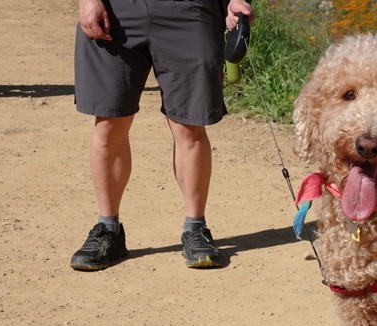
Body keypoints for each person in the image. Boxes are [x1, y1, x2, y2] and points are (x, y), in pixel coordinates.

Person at [70, 0, 255, 271]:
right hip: (116, 10)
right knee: (109, 122)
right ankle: (107, 229)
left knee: (189, 125)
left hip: (189, 10)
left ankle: (195, 227)